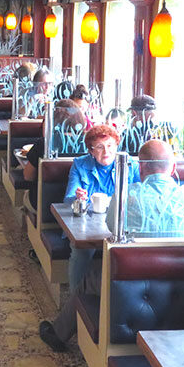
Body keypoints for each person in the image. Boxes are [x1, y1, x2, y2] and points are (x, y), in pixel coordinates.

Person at [39, 140, 184, 352]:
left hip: (131, 289)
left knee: (91, 277)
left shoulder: (127, 197)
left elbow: (111, 226)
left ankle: (59, 334)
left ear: (140, 167)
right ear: (174, 167)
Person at [64, 123, 140, 289]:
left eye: (110, 145)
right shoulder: (79, 165)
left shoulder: (129, 164)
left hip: (120, 221)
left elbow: (140, 195)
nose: (106, 151)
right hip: (88, 224)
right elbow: (68, 199)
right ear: (91, 151)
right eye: (99, 147)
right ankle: (75, 297)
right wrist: (79, 198)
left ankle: (114, 297)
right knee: (82, 250)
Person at [22, 99, 86, 211]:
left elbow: (28, 176)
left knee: (25, 195)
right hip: (79, 205)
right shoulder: (86, 145)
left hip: (44, 205)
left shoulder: (45, 144)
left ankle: (26, 224)